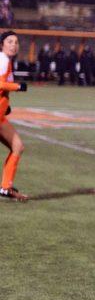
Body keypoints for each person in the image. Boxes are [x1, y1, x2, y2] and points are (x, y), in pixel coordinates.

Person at [0, 31, 29, 201]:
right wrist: (17, 86)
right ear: (2, 44)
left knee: (17, 146)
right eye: (9, 41)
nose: (13, 45)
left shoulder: (6, 61)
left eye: (16, 42)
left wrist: (6, 106)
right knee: (17, 147)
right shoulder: (2, 60)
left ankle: (5, 188)